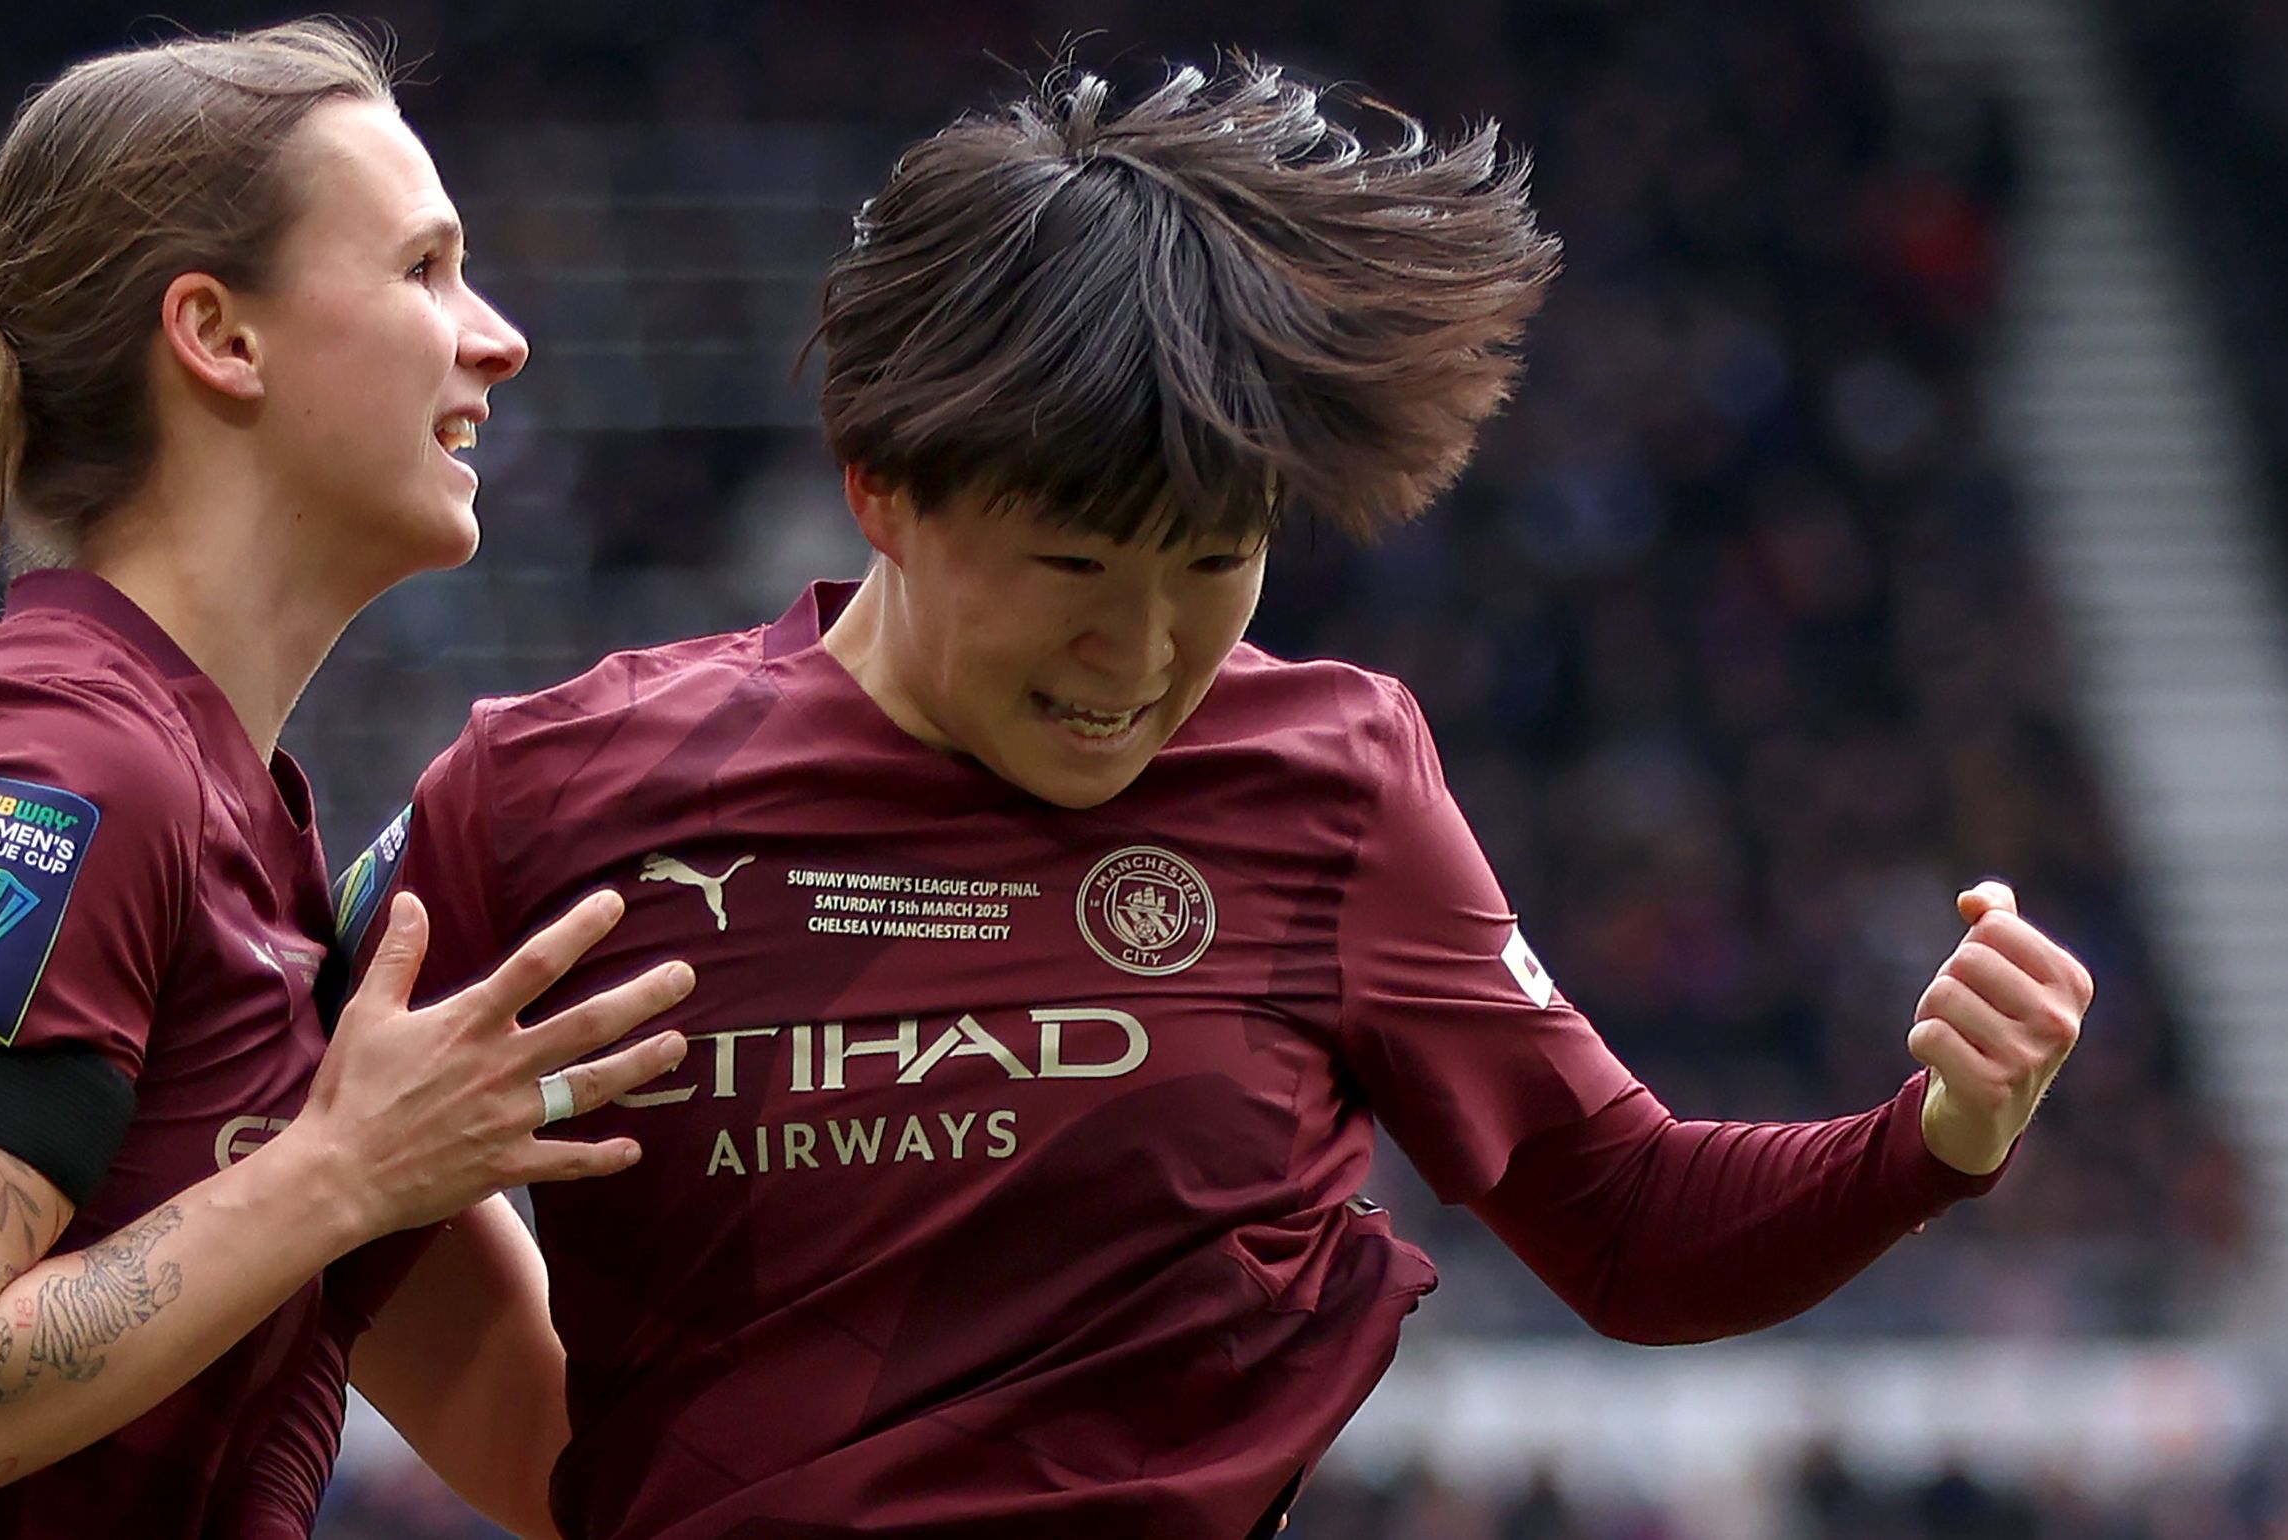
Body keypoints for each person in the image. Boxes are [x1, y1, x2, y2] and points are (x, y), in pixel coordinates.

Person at [334, 60, 2093, 1540]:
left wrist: (1930, 1144)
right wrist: (591, 1487)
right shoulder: (553, 791)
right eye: (1075, 561)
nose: (1141, 646)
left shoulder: (1330, 780)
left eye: (1214, 563)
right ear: (881, 489)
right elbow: (295, 1173)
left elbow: (1627, 1231)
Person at [0, 21, 694, 1539]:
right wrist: (344, 1172)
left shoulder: (234, 831)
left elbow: (572, 1463)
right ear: (220, 336)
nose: (497, 337)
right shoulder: (62, 774)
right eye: (424, 271)